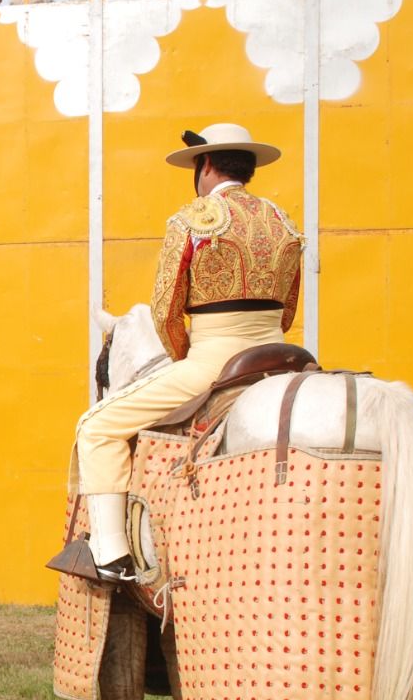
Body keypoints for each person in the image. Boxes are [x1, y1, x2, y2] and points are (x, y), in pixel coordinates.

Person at [62, 123, 303, 585]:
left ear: (206, 165)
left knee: (97, 427)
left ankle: (110, 556)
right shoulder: (283, 220)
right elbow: (289, 307)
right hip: (282, 355)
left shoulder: (193, 219)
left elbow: (165, 312)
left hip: (216, 360)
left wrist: (185, 355)